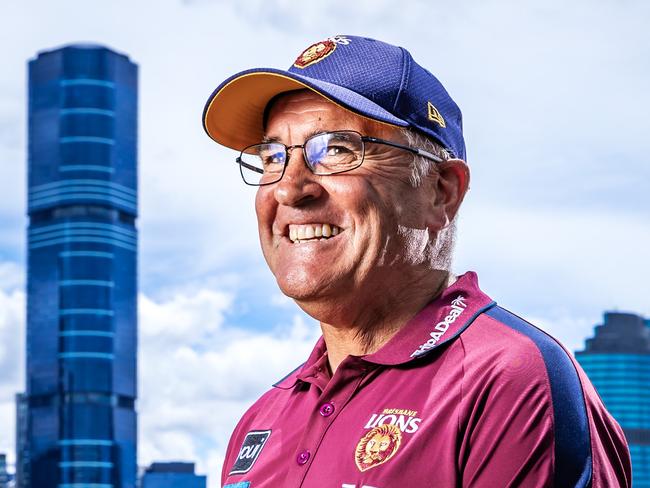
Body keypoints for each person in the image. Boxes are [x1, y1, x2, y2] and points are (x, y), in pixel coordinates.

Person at [202, 35, 631, 488]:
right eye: (272, 157)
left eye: (337, 149)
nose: (289, 188)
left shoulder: (507, 380)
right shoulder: (261, 419)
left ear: (440, 191)